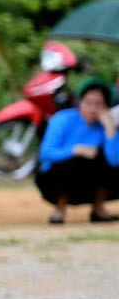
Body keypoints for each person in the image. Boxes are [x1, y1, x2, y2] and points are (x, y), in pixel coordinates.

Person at [36, 77, 118, 224]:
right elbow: (45, 153)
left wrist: (110, 129)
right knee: (73, 162)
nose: (92, 108)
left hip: (88, 182)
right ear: (80, 102)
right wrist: (76, 150)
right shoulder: (62, 118)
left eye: (99, 104)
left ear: (106, 106)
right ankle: (59, 210)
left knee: (102, 160)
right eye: (88, 102)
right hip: (54, 179)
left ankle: (98, 209)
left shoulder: (105, 126)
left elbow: (115, 161)